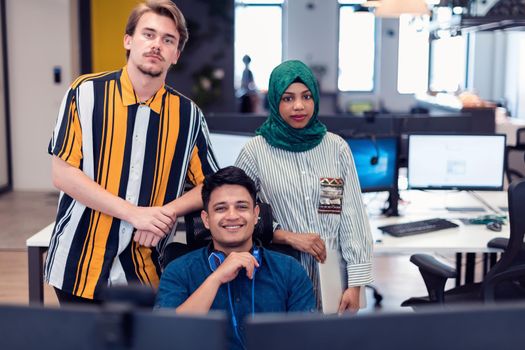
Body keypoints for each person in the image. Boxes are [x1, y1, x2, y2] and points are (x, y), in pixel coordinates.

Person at [45, 0, 219, 304]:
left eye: (168, 40)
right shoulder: (84, 93)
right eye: (148, 35)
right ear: (128, 40)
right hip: (79, 263)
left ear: (176, 54)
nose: (156, 45)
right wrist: (135, 214)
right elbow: (63, 174)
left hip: (144, 268)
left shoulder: (188, 116)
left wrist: (165, 214)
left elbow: (211, 185)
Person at [235, 60, 373, 313]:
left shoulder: (336, 148)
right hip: (279, 272)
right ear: (275, 101)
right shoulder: (255, 152)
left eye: (306, 96)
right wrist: (288, 236)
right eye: (288, 98)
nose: (298, 106)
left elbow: (352, 217)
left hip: (333, 274)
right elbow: (238, 216)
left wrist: (356, 284)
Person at [155, 166, 315, 350]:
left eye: (241, 207)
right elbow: (165, 339)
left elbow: (306, 341)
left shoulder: (290, 270)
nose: (232, 216)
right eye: (221, 208)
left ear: (255, 215)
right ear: (206, 219)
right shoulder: (179, 270)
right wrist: (216, 279)